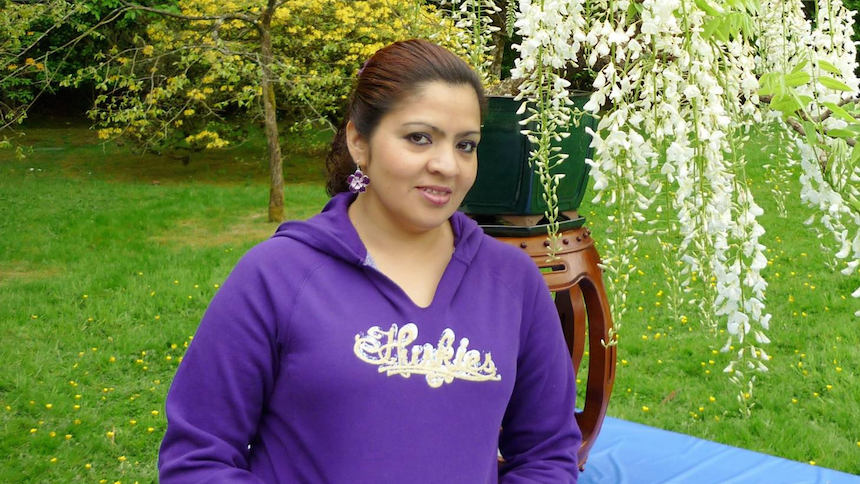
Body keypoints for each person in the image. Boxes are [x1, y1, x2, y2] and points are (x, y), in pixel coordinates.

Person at [158, 39, 581, 483]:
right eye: (419, 138)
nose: (448, 166)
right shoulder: (275, 277)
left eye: (466, 145)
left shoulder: (513, 282)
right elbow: (198, 460)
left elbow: (547, 453)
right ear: (359, 142)